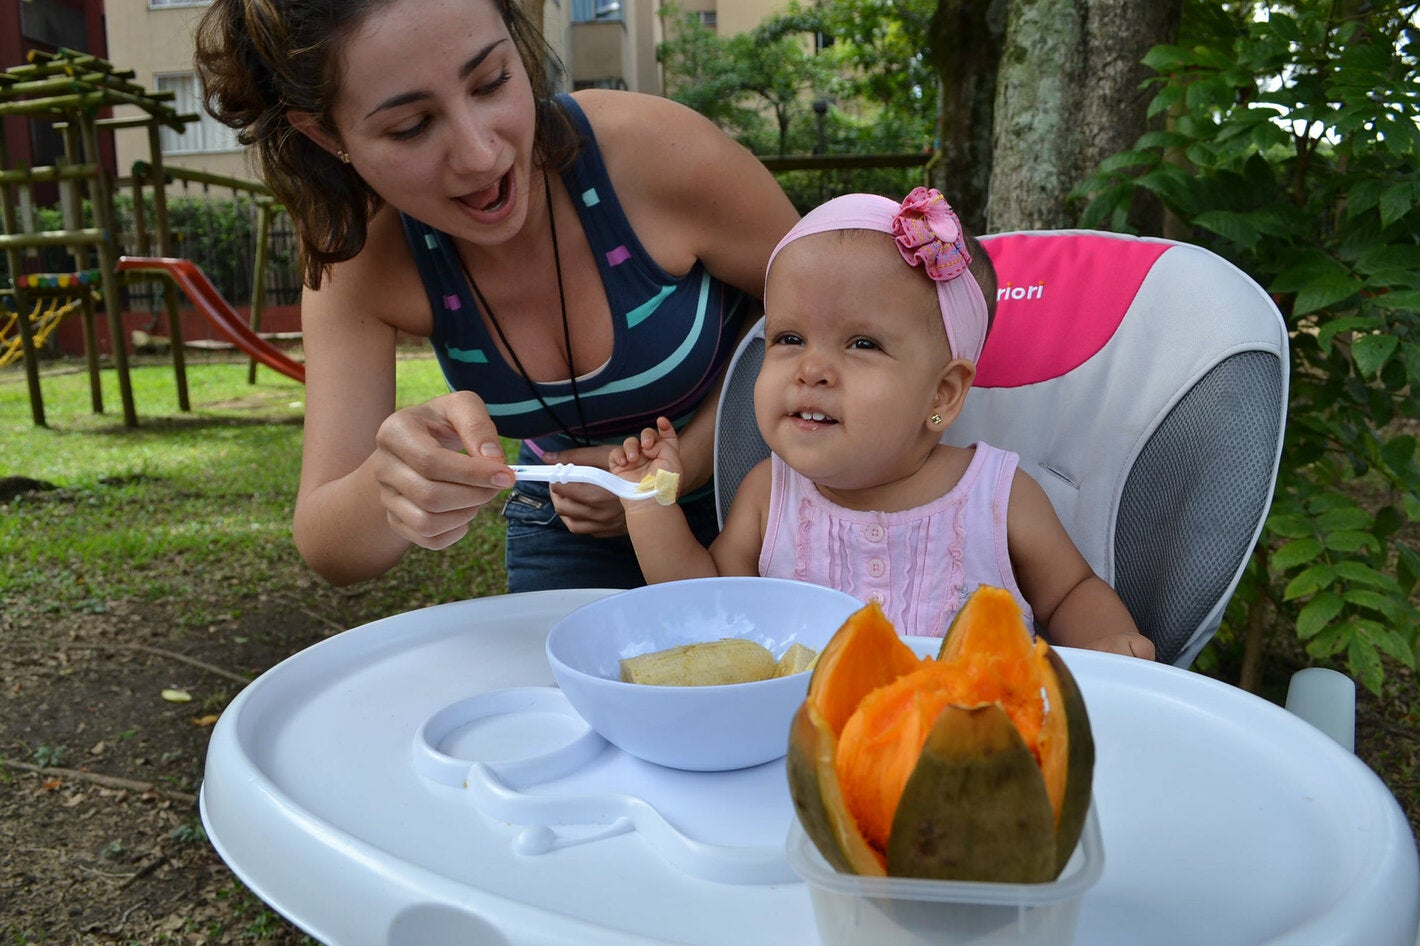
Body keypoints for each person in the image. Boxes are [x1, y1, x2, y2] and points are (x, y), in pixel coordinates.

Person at [193, 0, 800, 592]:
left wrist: (675, 469)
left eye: (491, 82)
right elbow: (332, 550)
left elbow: (838, 329)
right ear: (326, 135)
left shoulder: (651, 150)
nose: (480, 155)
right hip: (566, 525)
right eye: (411, 127)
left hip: (767, 497)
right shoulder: (357, 257)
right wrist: (394, 480)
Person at [610, 188, 1155, 658]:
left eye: (862, 344)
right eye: (789, 338)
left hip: (970, 732)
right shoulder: (769, 494)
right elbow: (710, 609)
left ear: (942, 393)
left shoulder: (995, 496)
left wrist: (1108, 642)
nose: (811, 369)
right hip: (801, 737)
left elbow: (1070, 592)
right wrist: (648, 507)